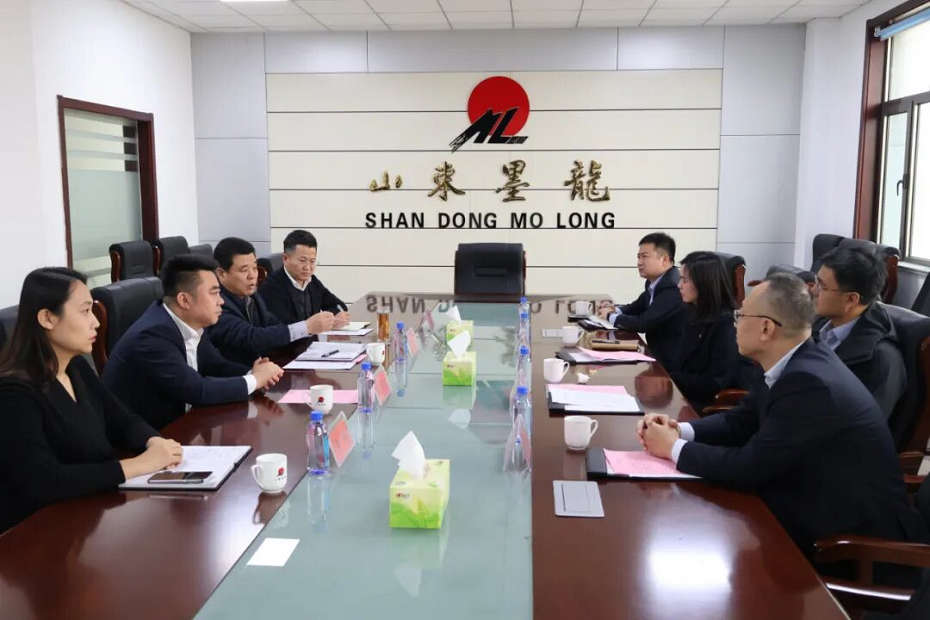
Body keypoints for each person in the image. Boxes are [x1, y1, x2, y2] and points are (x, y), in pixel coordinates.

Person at [637, 273, 927, 553]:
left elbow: (750, 467)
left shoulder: (809, 383)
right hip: (806, 501)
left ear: (766, 328)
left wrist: (673, 448)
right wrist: (679, 430)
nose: (735, 324)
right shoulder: (796, 360)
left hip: (848, 543)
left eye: (741, 316)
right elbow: (741, 419)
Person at [0, 268, 182, 532]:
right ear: (47, 318)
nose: (96, 322)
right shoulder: (13, 393)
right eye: (85, 311)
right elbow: (43, 481)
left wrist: (154, 442)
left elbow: (122, 420)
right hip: (36, 533)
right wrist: (140, 464)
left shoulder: (76, 368)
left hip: (87, 514)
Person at [103, 255, 284, 429]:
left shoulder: (190, 322)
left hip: (187, 424)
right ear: (184, 300)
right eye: (214, 293)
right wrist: (255, 379)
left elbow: (217, 366)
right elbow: (197, 390)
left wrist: (253, 373)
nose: (221, 301)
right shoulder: (151, 336)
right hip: (152, 437)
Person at [209, 237, 340, 366]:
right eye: (244, 270)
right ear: (221, 274)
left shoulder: (251, 296)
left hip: (263, 367)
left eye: (254, 268)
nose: (252, 276)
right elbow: (252, 337)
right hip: (237, 374)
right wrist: (306, 327)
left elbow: (273, 325)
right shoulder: (216, 304)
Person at [812, 247, 905, 418]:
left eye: (822, 286)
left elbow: (862, 426)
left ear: (851, 299)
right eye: (816, 281)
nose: (813, 291)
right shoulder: (818, 324)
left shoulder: (881, 360)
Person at [666, 251, 740, 412]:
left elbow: (715, 383)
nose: (679, 285)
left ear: (704, 283)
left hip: (703, 406)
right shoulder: (691, 313)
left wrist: (669, 379)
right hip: (682, 395)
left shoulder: (725, 326)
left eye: (684, 280)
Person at [597, 232, 685, 367]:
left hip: (671, 365)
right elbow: (636, 307)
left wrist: (609, 316)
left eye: (645, 257)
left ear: (665, 260)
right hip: (656, 356)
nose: (639, 262)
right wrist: (615, 309)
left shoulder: (672, 287)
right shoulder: (655, 281)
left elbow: (643, 323)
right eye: (638, 257)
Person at [257, 229, 350, 328]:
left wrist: (335, 317)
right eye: (302, 260)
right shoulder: (271, 288)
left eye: (312, 261)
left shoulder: (311, 280)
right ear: (285, 258)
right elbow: (283, 328)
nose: (308, 267)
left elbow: (337, 305)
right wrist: (312, 326)